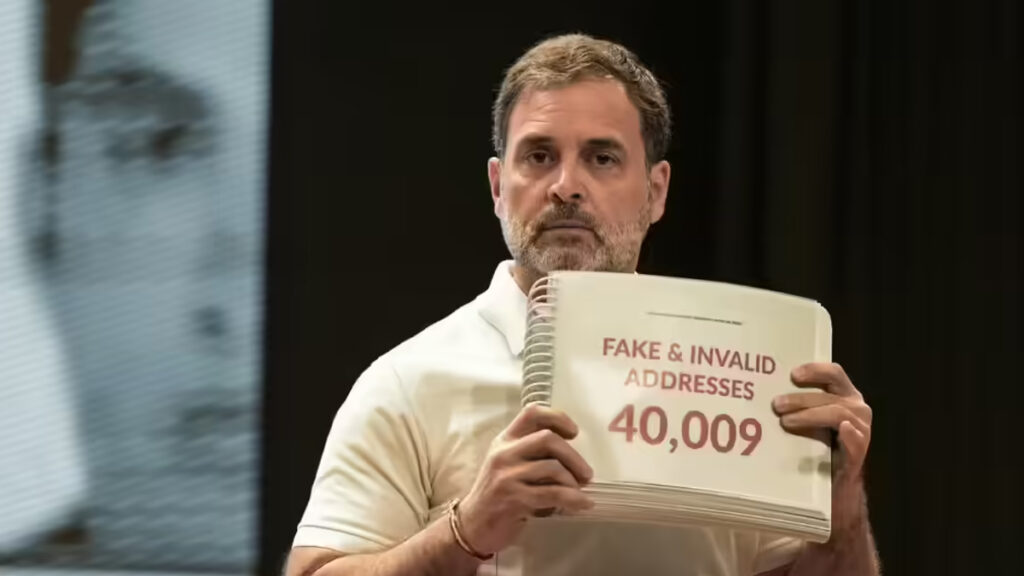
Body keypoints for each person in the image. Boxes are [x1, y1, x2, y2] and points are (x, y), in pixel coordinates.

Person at [286, 33, 879, 576]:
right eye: (539, 156)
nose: (566, 185)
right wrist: (468, 530)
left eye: (602, 158)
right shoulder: (408, 382)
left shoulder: (741, 381)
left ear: (656, 191)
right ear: (498, 187)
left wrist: (843, 511)